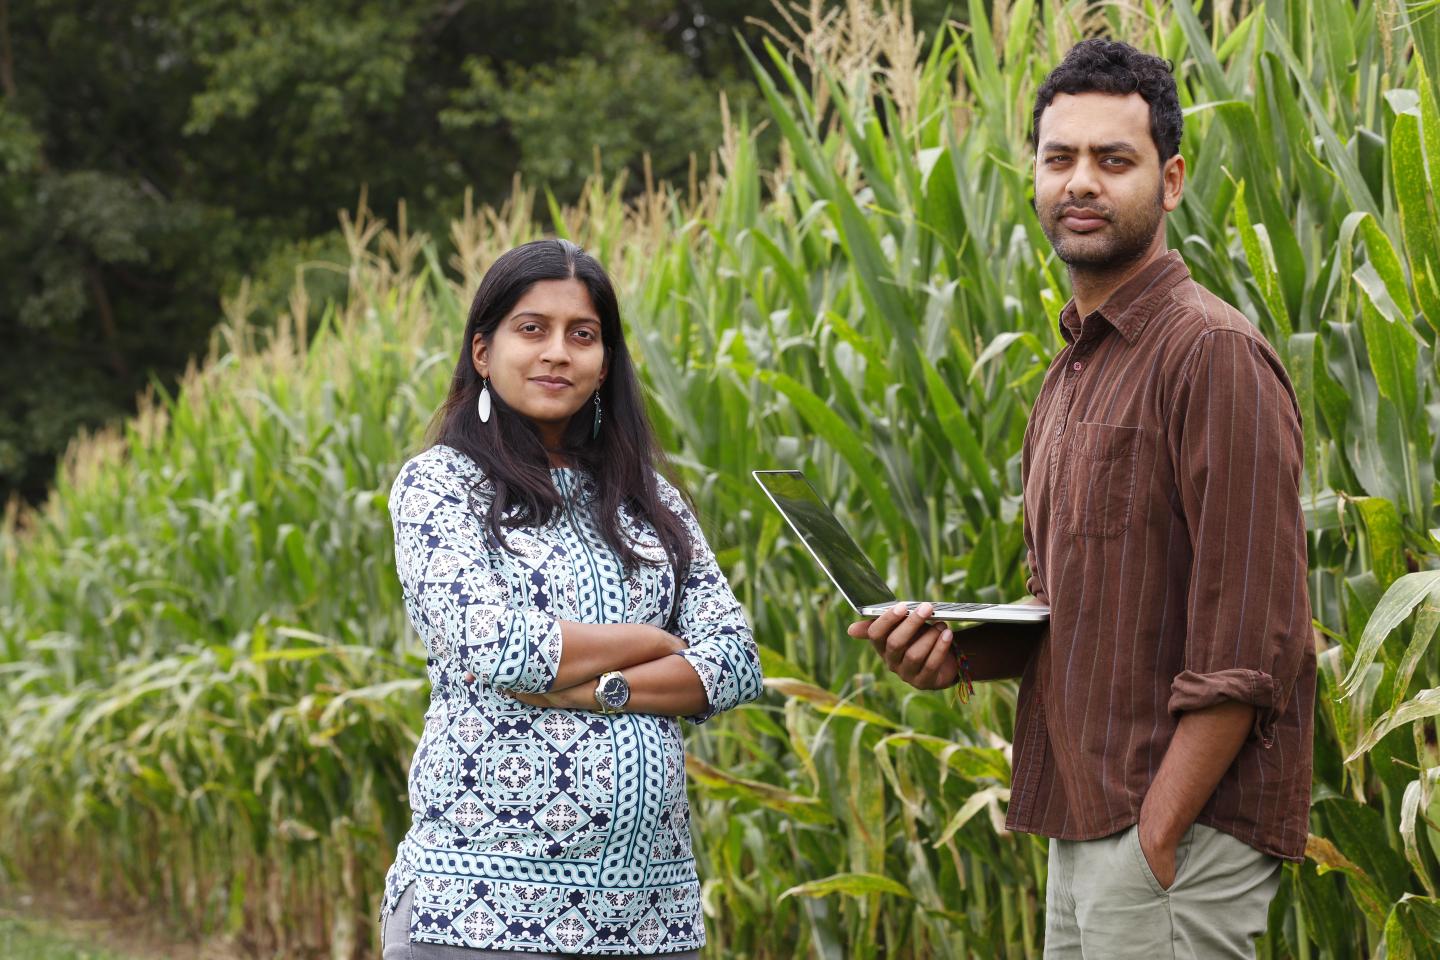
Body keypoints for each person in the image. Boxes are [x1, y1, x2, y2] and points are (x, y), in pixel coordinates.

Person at [849, 39, 1314, 959]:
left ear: (1171, 180)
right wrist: (960, 649)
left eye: (1114, 159)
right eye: (1060, 158)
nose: (1081, 182)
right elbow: (1082, 605)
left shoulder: (1207, 355)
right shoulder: (1075, 370)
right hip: (1087, 818)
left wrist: (1158, 836)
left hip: (1171, 827)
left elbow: (1252, 636)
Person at [380, 238, 764, 958]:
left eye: (582, 335)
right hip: (476, 911)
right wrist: (655, 642)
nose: (558, 352)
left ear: (605, 362)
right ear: (483, 351)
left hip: (650, 915)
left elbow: (736, 663)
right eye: (533, 329)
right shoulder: (441, 486)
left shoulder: (654, 505)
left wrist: (603, 689)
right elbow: (498, 645)